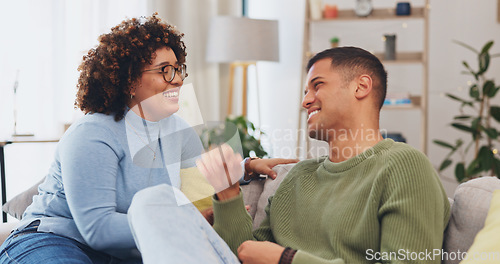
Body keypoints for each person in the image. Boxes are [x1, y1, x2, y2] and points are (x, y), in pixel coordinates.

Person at [0, 14, 295, 263]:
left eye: (178, 69)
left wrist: (245, 167)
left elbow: (201, 175)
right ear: (129, 80)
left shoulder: (177, 129)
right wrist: (176, 221)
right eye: (165, 71)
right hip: (52, 241)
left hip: (123, 252)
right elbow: (97, 228)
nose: (178, 79)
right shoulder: (93, 134)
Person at [129, 47, 450, 264]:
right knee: (151, 202)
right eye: (305, 91)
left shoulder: (403, 166)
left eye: (317, 86)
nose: (305, 101)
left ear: (361, 86)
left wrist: (287, 259)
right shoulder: (297, 176)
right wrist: (226, 194)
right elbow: (245, 252)